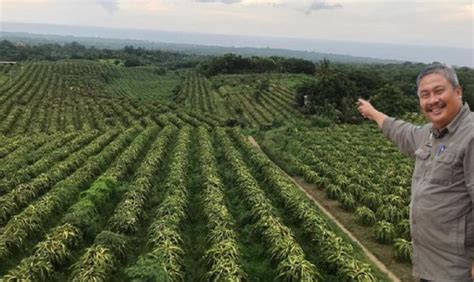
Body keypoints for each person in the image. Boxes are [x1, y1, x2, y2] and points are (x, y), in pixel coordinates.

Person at [357, 64, 473, 282]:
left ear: (458, 91)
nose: (432, 100)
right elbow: (403, 132)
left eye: (439, 91)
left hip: (457, 271)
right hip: (431, 266)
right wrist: (372, 113)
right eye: (424, 95)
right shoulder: (432, 133)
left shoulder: (471, 135)